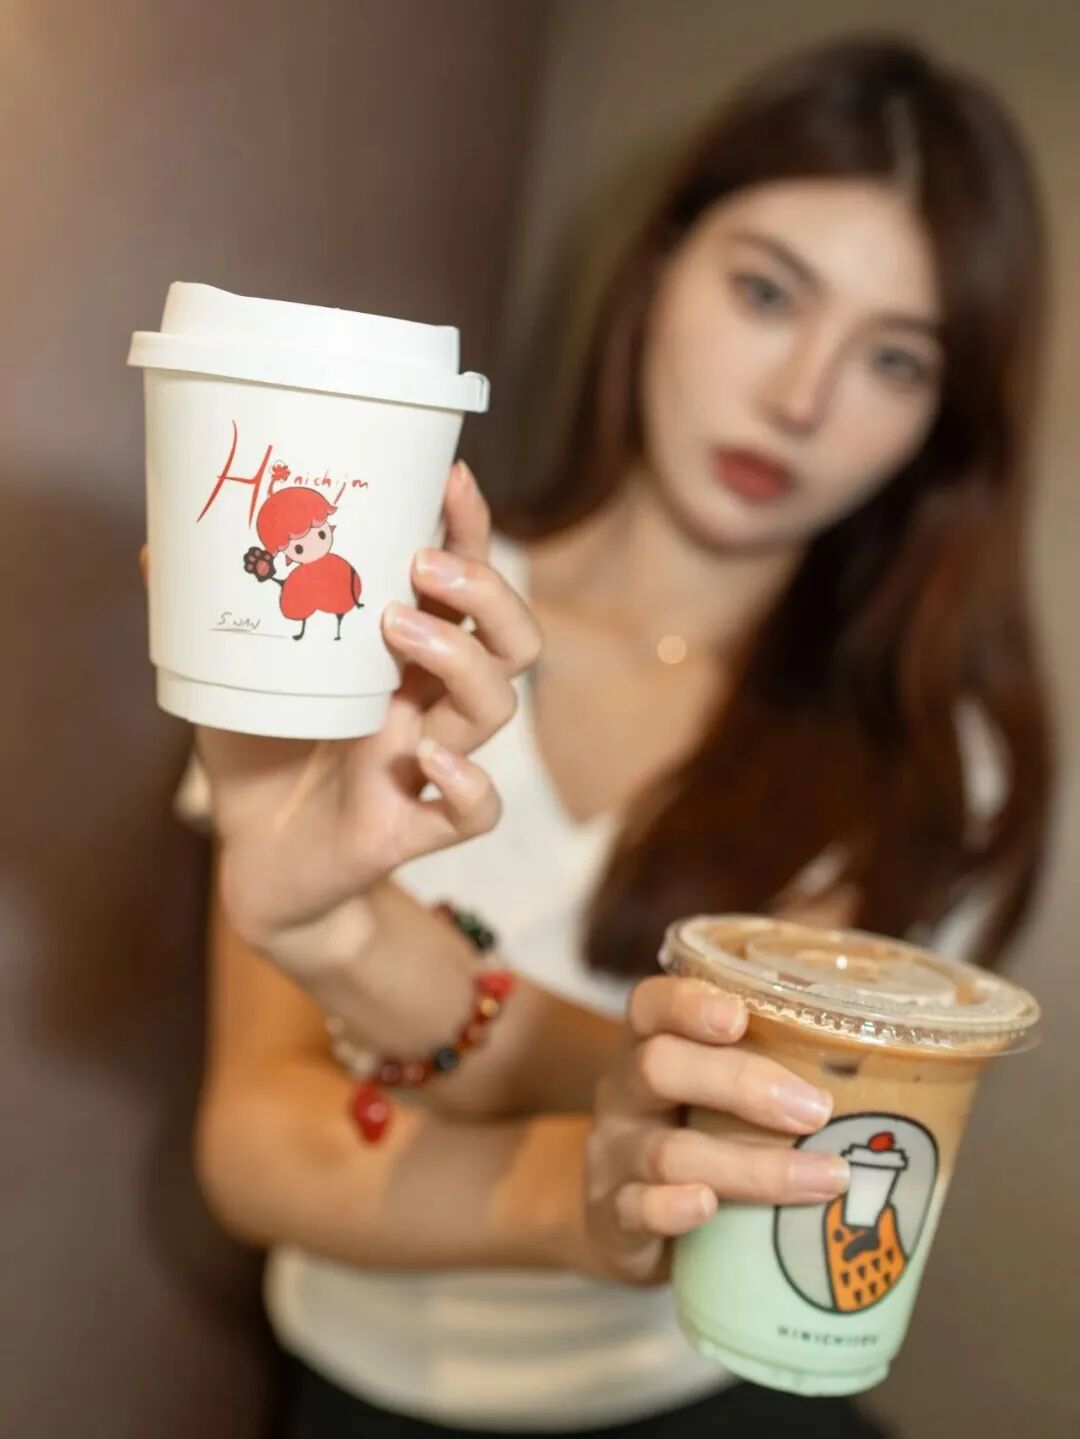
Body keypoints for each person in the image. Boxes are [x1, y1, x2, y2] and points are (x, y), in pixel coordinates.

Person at [182, 34, 1053, 1439]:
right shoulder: (382, 617)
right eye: (767, 292)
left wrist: (376, 968)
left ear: (941, 424)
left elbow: (781, 1136)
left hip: (699, 1396)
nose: (801, 397)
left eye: (894, 360)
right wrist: (566, 1153)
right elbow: (257, 1144)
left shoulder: (931, 757)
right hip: (365, 1390)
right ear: (660, 270)